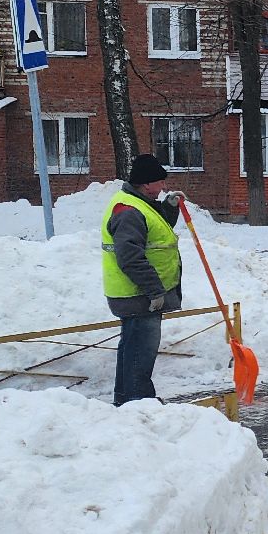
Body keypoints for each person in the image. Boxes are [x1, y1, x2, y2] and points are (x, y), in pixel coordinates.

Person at [100, 154, 184, 405]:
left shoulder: (136, 203)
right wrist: (154, 291)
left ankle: (126, 401)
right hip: (139, 295)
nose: (163, 187)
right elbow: (130, 257)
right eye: (160, 183)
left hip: (137, 294)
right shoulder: (128, 211)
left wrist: (168, 207)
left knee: (132, 349)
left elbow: (153, 233)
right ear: (146, 184)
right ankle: (139, 403)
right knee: (140, 352)